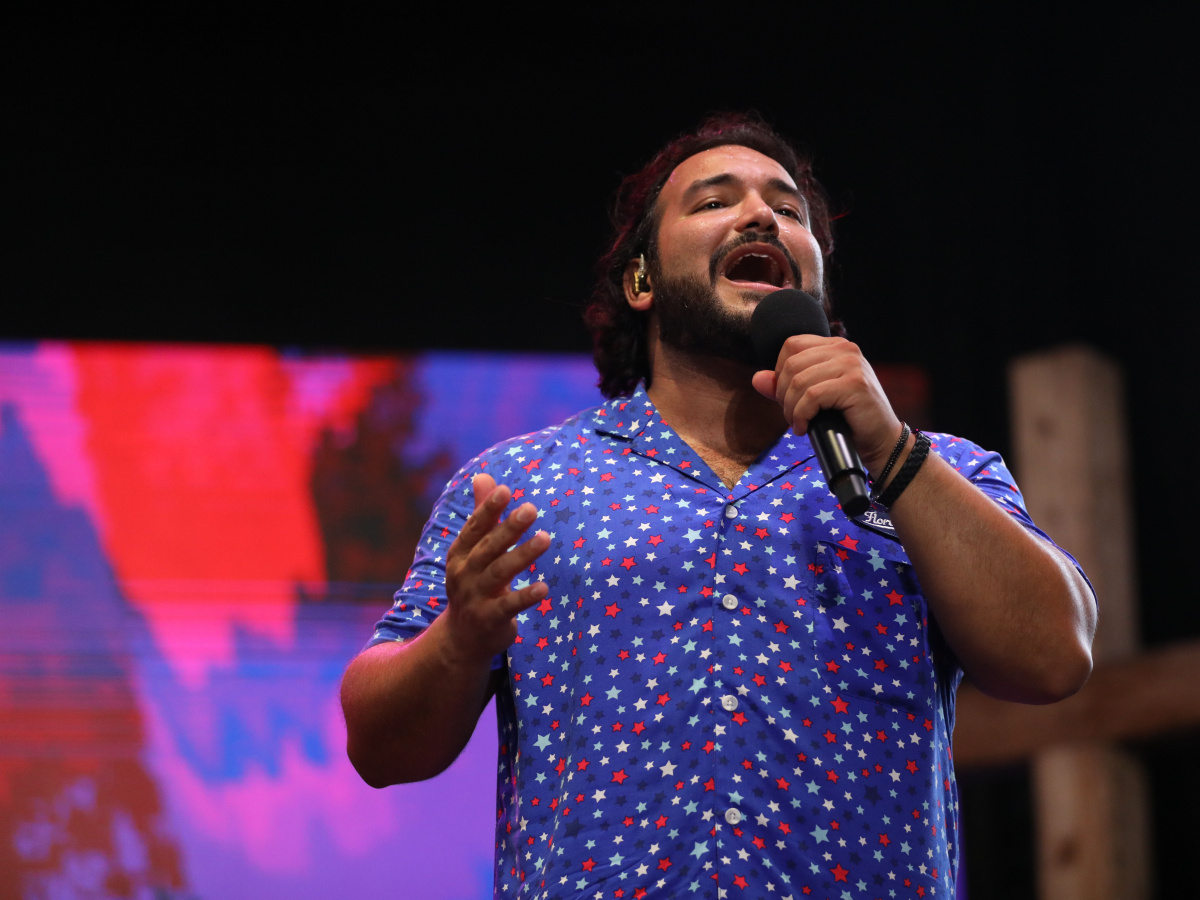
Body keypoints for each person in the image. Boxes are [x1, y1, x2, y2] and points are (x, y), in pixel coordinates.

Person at [340, 113, 1096, 899]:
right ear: (641, 280)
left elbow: (1055, 658)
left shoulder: (938, 473)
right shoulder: (521, 485)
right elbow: (377, 747)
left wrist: (892, 451)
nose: (761, 215)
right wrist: (458, 643)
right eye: (714, 201)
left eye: (789, 209)